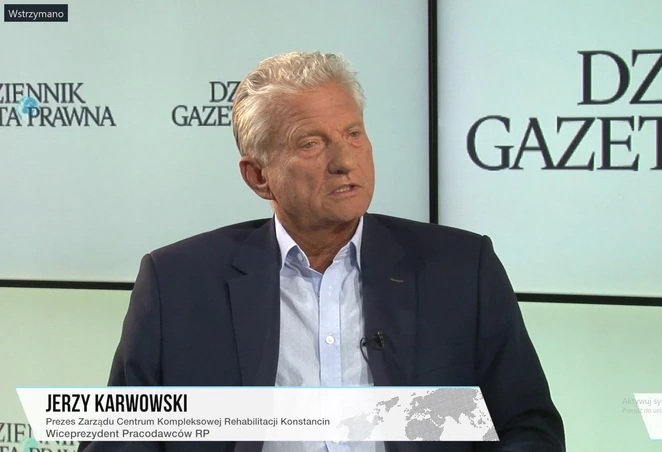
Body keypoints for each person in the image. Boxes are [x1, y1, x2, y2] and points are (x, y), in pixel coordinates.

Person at [78, 51, 565, 452]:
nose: (345, 161)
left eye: (353, 134)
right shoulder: (178, 283)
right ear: (259, 176)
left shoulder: (458, 268)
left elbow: (527, 427)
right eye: (311, 143)